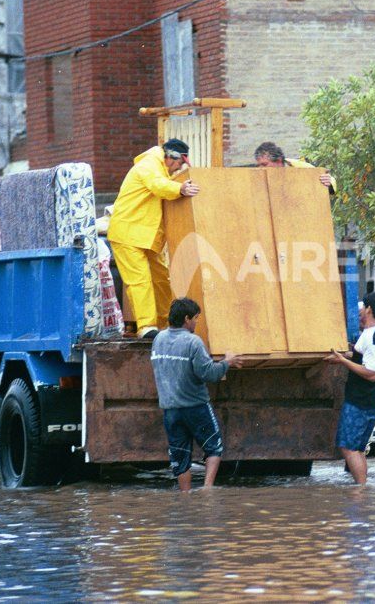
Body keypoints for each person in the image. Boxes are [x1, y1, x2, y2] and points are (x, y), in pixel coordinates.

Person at [108, 138, 199, 340]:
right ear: (171, 158)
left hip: (144, 236)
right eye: (180, 163)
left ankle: (165, 323)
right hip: (128, 234)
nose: (179, 168)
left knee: (161, 279)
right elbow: (157, 185)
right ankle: (147, 327)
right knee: (140, 281)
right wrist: (180, 189)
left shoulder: (158, 167)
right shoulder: (149, 164)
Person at [151, 297, 242, 490]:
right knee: (214, 447)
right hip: (196, 407)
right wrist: (227, 363)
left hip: (170, 410)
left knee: (180, 454)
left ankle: (185, 497)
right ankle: (207, 490)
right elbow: (208, 373)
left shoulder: (159, 339)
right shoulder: (193, 342)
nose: (196, 322)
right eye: (196, 318)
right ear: (186, 319)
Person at [326, 291, 375, 484]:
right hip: (367, 402)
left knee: (348, 447)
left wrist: (342, 362)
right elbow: (360, 356)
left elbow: (371, 374)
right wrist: (342, 357)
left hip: (361, 402)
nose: (360, 310)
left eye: (363, 307)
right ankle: (361, 491)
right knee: (358, 449)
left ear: (369, 309)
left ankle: (361, 489)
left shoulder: (373, 337)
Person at [253, 141, 334, 190]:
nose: (260, 169)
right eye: (259, 165)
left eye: (264, 164)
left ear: (278, 161)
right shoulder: (258, 177)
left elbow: (330, 186)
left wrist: (328, 182)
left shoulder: (301, 168)